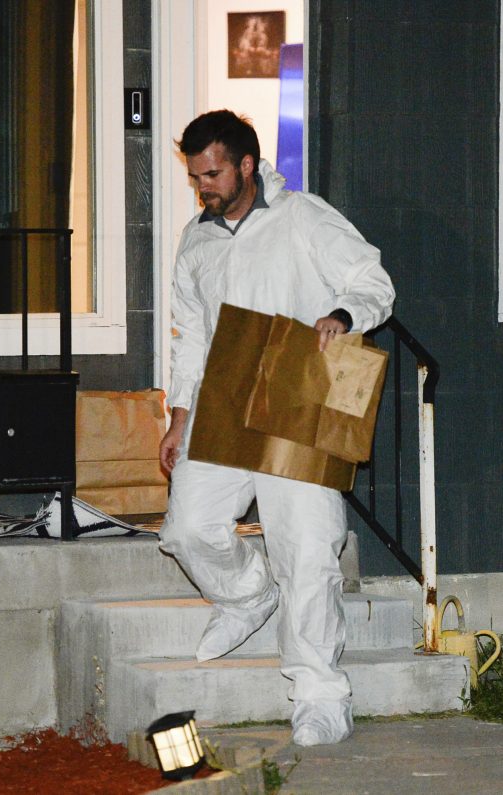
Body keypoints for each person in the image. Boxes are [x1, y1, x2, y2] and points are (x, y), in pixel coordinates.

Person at [158, 110, 395, 747]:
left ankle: (320, 694)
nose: (202, 185)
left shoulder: (304, 218)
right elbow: (191, 336)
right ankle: (245, 595)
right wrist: (179, 416)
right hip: (226, 400)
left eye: (211, 173)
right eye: (194, 175)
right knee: (187, 527)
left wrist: (344, 314)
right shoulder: (197, 239)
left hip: (302, 399)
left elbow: (373, 281)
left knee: (307, 549)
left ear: (245, 165)